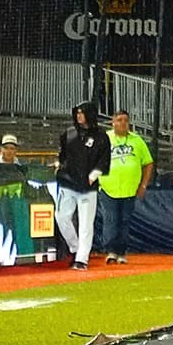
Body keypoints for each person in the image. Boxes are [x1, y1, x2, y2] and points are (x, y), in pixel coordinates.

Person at [53, 102, 110, 268]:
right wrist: (59, 165)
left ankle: (81, 259)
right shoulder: (68, 133)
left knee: (86, 224)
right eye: (77, 113)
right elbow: (62, 155)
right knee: (61, 216)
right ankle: (76, 247)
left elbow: (104, 159)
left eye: (82, 113)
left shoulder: (101, 136)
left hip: (88, 187)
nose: (79, 116)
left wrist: (94, 175)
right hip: (67, 183)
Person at [101, 109, 154, 264]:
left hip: (130, 189)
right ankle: (111, 251)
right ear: (113, 122)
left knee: (124, 221)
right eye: (119, 120)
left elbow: (148, 163)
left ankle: (122, 251)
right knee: (110, 219)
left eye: (125, 120)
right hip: (108, 187)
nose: (123, 123)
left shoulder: (137, 140)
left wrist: (143, 184)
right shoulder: (105, 139)